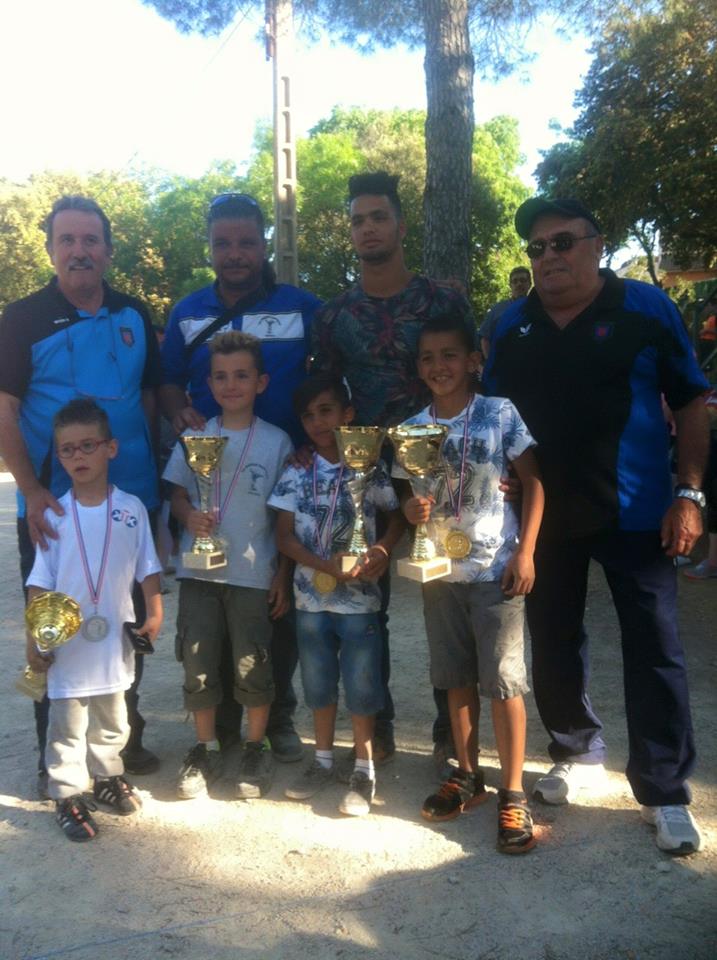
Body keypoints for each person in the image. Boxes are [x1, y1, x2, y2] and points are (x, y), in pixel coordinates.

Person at [483, 196, 709, 855]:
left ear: (594, 243)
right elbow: (494, 413)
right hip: (544, 516)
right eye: (536, 248)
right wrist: (498, 472)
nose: (548, 256)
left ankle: (663, 790)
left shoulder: (645, 309)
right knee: (551, 639)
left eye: (561, 242)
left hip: (637, 513)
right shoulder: (511, 325)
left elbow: (692, 398)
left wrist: (689, 492)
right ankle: (576, 749)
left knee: (654, 648)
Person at [311, 170, 475, 771]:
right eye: (358, 220)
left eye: (379, 216)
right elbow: (325, 395)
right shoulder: (335, 315)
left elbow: (474, 377)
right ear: (351, 232)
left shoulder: (442, 301)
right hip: (365, 473)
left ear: (400, 226)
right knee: (363, 601)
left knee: (444, 593)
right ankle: (373, 727)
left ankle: (446, 729)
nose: (369, 228)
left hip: (439, 471)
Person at [0, 195, 162, 796]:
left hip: (129, 500)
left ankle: (120, 745)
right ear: (50, 250)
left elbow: (149, 398)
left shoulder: (134, 312)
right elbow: (5, 409)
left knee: (124, 618)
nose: (79, 251)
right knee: (55, 624)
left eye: (90, 240)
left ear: (108, 250)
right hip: (54, 507)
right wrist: (33, 488)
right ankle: (57, 760)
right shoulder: (21, 318)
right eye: (66, 240)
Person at [160, 193, 321, 763]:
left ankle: (276, 716)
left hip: (281, 465)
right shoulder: (186, 311)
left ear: (264, 244)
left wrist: (313, 440)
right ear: (210, 246)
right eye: (223, 243)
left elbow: (327, 380)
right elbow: (168, 378)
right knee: (212, 620)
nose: (235, 254)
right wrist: (181, 410)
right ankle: (221, 723)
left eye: (246, 242)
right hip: (213, 472)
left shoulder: (304, 307)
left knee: (272, 609)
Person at [394, 314, 543, 853]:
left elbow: (535, 480)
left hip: (494, 570)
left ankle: (513, 791)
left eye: (450, 355)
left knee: (503, 682)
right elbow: (411, 499)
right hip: (440, 573)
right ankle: (466, 774)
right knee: (455, 678)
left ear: (473, 360)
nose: (439, 366)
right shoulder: (412, 427)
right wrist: (412, 509)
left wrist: (525, 552)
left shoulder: (499, 414)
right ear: (418, 367)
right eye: (428, 358)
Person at [25, 399, 162, 841]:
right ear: (58, 456)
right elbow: (39, 583)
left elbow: (148, 567)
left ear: (111, 448)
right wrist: (35, 637)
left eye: (88, 445)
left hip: (113, 641)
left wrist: (155, 610)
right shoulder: (52, 517)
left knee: (113, 717)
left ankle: (106, 776)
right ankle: (66, 792)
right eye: (68, 450)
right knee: (66, 725)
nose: (78, 456)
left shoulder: (131, 508)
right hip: (68, 646)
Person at [163, 331, 293, 800]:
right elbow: (177, 495)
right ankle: (206, 748)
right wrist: (188, 516)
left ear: (261, 382)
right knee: (198, 662)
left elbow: (284, 516)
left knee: (251, 662)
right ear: (208, 383)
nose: (230, 384)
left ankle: (255, 748)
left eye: (241, 375)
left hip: (252, 574)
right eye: (220, 376)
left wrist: (282, 574)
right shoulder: (195, 436)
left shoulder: (277, 443)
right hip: (198, 573)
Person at [269, 374, 404, 816]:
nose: (317, 422)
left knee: (363, 685)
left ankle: (364, 768)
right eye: (308, 415)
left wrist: (383, 549)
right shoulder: (296, 468)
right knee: (318, 683)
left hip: (360, 598)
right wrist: (326, 566)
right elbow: (284, 537)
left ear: (347, 414)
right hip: (311, 597)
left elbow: (395, 516)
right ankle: (323, 760)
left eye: (327, 410)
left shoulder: (368, 464)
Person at [479, 266, 531, 359]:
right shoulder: (497, 309)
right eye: (515, 281)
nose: (519, 284)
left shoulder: (538, 308)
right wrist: (491, 362)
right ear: (510, 285)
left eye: (523, 280)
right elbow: (485, 338)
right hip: (503, 364)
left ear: (529, 284)